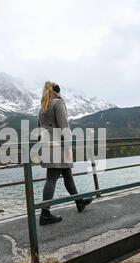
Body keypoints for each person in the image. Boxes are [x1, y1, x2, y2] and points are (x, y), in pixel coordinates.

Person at [37, 81, 93, 226]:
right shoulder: (58, 103)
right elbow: (64, 126)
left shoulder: (42, 107)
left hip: (47, 145)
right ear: (57, 90)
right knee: (52, 178)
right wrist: (68, 148)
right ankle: (45, 214)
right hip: (58, 146)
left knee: (67, 174)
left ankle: (79, 202)